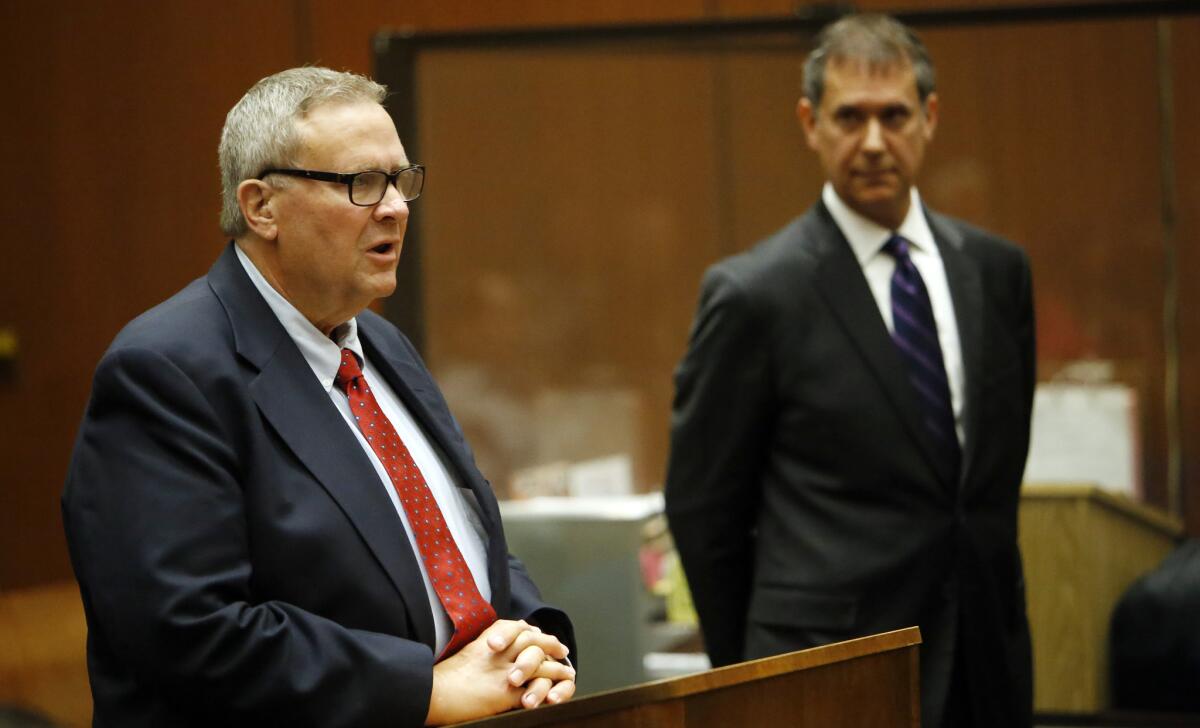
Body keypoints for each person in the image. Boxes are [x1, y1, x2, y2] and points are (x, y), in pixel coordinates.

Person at [62, 67, 576, 727]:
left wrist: (530, 640)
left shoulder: (381, 345)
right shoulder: (165, 371)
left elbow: (459, 534)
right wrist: (423, 692)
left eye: (401, 180)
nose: (394, 207)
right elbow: (188, 628)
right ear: (261, 207)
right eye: (361, 183)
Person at [664, 14, 1034, 728]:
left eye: (893, 116)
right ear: (810, 123)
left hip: (986, 663)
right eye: (849, 117)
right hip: (826, 670)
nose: (872, 142)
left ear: (929, 117)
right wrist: (756, 674)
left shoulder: (996, 272)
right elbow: (703, 507)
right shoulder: (755, 294)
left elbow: (990, 483)